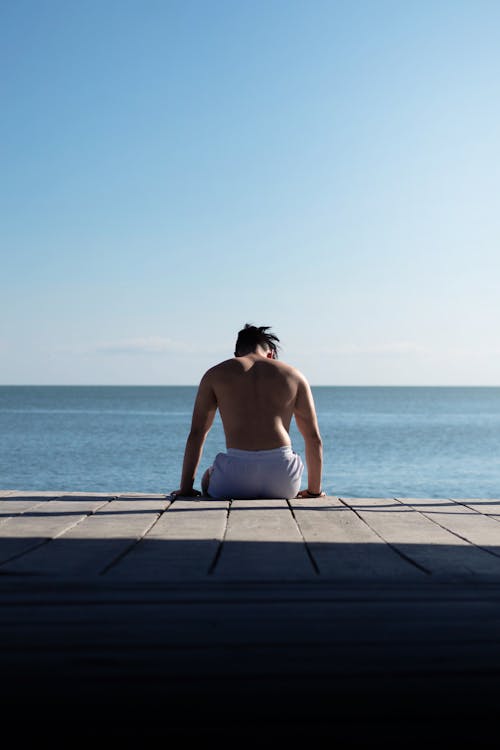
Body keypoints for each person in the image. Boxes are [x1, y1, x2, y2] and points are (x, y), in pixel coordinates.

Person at [169, 323, 326, 500]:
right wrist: (314, 491)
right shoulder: (294, 375)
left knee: (208, 477)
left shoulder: (215, 374)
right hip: (282, 478)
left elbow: (197, 433)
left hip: (233, 479)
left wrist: (185, 489)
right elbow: (313, 438)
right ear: (271, 354)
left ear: (236, 355)